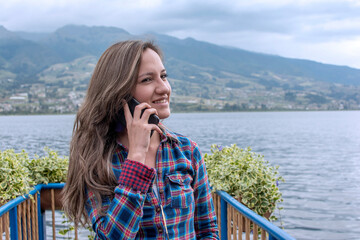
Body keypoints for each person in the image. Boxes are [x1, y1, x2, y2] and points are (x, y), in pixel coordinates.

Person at [62, 40, 219, 239]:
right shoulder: (97, 160)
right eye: (147, 80)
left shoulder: (186, 151)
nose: (164, 88)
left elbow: (207, 230)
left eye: (163, 76)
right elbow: (112, 236)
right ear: (120, 93)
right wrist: (136, 157)